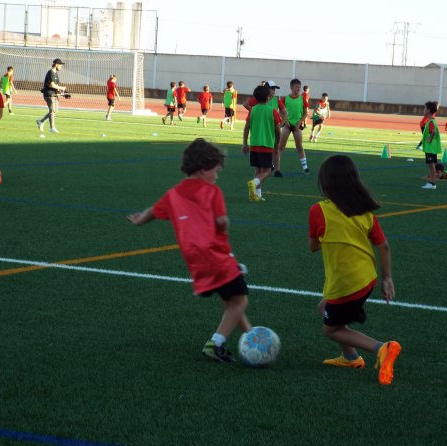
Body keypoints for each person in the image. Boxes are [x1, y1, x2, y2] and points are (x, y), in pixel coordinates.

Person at [127, 138, 253, 363]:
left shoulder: (173, 194)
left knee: (229, 299)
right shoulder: (212, 192)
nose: (217, 175)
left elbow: (153, 212)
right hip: (216, 254)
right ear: (204, 169)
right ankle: (216, 343)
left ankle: (250, 336)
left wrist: (138, 221)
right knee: (240, 301)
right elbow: (222, 221)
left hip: (195, 259)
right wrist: (222, 225)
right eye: (216, 170)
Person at [308, 154, 400, 385]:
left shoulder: (318, 211)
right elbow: (384, 246)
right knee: (324, 307)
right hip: (367, 279)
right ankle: (350, 357)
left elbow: (313, 246)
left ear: (326, 183)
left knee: (330, 330)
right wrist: (387, 278)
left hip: (345, 284)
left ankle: (382, 348)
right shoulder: (364, 211)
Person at [242, 85, 281, 202]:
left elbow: (246, 127)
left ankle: (256, 194)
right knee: (267, 171)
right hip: (267, 144)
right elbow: (277, 129)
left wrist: (245, 143)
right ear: (268, 97)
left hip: (254, 144)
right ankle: (254, 183)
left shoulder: (253, 110)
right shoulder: (272, 111)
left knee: (258, 170)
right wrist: (277, 143)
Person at [274, 78, 310, 176]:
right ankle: (275, 167)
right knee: (281, 146)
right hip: (287, 126)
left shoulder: (302, 99)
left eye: (299, 87)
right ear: (291, 87)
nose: (298, 88)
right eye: (296, 86)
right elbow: (279, 111)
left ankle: (305, 168)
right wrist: (285, 121)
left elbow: (306, 113)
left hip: (297, 126)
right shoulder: (285, 98)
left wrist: (299, 123)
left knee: (299, 147)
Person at [37, 58, 66, 134]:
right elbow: (52, 85)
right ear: (56, 64)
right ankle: (52, 128)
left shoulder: (55, 73)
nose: (61, 67)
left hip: (54, 94)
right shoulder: (51, 72)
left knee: (54, 111)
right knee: (52, 111)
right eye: (60, 65)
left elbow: (55, 86)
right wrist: (62, 88)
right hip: (49, 94)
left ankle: (41, 121)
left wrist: (62, 93)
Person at [420, 101, 442, 190]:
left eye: (425, 108)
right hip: (430, 148)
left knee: (431, 164)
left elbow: (433, 131)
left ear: (428, 110)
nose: (423, 110)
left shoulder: (431, 121)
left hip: (431, 148)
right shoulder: (430, 121)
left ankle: (432, 183)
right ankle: (431, 182)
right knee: (430, 164)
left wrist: (430, 139)